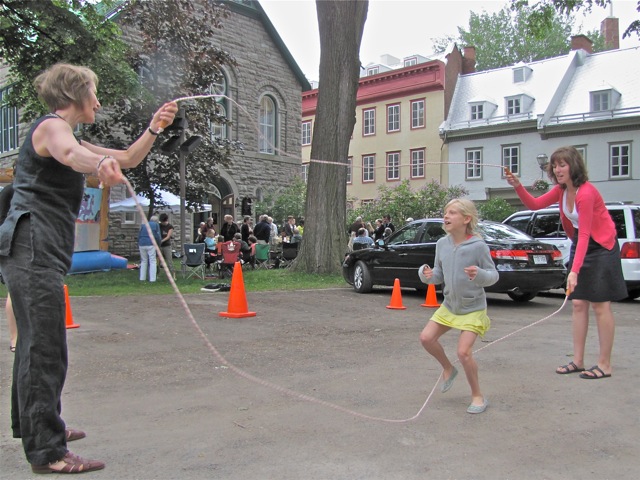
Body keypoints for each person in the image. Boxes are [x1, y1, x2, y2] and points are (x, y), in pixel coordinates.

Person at [0, 63, 177, 473]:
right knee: (45, 348)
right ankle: (48, 451)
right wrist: (97, 166)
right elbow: (70, 154)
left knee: (35, 343)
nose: (97, 102)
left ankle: (34, 425)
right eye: (94, 93)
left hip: (37, 248)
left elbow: (127, 158)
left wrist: (154, 128)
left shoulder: (67, 134)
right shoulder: (51, 128)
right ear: (76, 95)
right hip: (32, 246)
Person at [506, 146, 626, 379]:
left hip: (602, 246)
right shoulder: (561, 190)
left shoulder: (586, 193)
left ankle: (605, 364)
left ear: (574, 166)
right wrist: (517, 186)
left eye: (562, 165)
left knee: (600, 305)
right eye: (554, 165)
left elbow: (586, 233)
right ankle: (578, 361)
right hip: (582, 244)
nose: (557, 170)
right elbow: (534, 205)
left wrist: (574, 271)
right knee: (578, 303)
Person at [418, 199, 498, 414]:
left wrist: (479, 274)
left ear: (466, 219)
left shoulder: (478, 246)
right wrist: (427, 275)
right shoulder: (441, 244)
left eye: (452, 213)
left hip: (473, 308)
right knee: (426, 338)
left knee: (463, 352)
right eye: (445, 212)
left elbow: (493, 275)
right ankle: (448, 368)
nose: (446, 216)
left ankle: (478, 396)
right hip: (450, 306)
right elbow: (438, 275)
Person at [138, 215, 162, 282]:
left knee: (144, 261)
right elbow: (157, 236)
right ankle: (152, 279)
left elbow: (139, 235)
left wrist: (139, 242)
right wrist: (159, 244)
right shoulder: (156, 225)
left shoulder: (144, 225)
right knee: (152, 261)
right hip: (151, 243)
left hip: (141, 243)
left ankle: (142, 278)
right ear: (156, 221)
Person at [158, 213, 175, 280]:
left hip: (167, 245)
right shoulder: (159, 225)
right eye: (162, 222)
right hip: (160, 246)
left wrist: (161, 241)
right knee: (159, 261)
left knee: (169, 261)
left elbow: (168, 237)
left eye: (164, 222)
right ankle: (157, 275)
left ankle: (173, 276)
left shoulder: (170, 227)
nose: (163, 223)